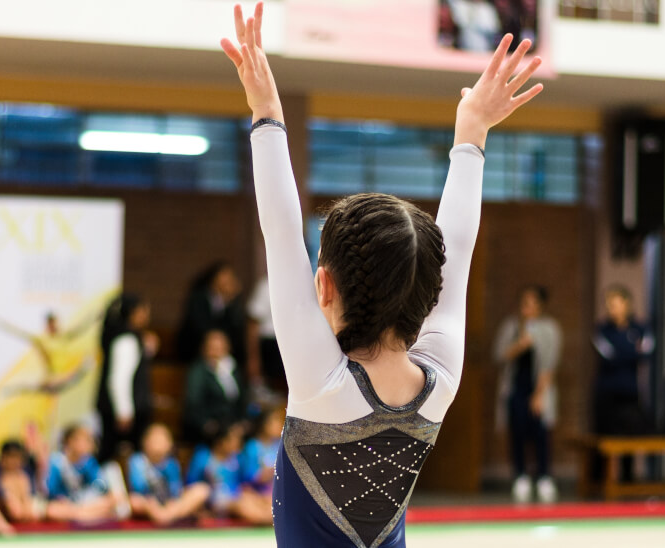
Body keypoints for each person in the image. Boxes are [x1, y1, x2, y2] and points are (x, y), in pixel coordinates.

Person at [220, 4, 542, 545]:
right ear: (427, 295)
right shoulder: (437, 379)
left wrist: (268, 111)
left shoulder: (322, 383)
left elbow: (280, 230)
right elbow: (456, 248)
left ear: (324, 287)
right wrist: (472, 132)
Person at [492, 285, 562, 503]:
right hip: (515, 389)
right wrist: (519, 345)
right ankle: (520, 477)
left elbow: (550, 364)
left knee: (541, 433)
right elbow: (498, 355)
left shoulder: (550, 328)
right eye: (524, 303)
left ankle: (544, 478)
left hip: (539, 389)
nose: (527, 308)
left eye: (533, 304)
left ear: (541, 306)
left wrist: (539, 395)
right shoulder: (511, 326)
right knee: (517, 432)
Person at [591, 285, 653, 483]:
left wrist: (625, 353)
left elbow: (647, 353)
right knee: (603, 439)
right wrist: (630, 353)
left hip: (630, 394)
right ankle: (599, 482)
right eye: (609, 305)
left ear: (627, 304)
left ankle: (628, 481)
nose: (612, 309)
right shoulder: (601, 330)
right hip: (606, 393)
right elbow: (609, 357)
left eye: (616, 304)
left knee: (629, 439)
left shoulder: (640, 329)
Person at [97, 293, 159, 461]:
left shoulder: (133, 337)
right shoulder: (126, 339)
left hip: (127, 408)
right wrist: (123, 410)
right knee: (111, 454)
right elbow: (118, 378)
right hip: (124, 410)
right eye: (143, 310)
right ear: (132, 313)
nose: (147, 314)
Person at [127, 423, 211, 526]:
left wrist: (173, 503)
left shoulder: (172, 464)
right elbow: (138, 488)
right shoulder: (137, 461)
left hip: (169, 505)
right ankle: (167, 516)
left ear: (170, 444)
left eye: (163, 440)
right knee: (134, 501)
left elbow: (176, 490)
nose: (159, 444)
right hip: (149, 503)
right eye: (155, 440)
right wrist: (152, 505)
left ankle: (165, 516)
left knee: (202, 489)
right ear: (145, 442)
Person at [42, 424, 128, 524]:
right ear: (71, 441)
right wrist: (64, 501)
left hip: (84, 502)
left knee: (114, 498)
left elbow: (99, 485)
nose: (89, 444)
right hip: (66, 504)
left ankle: (84, 515)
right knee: (51, 510)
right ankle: (89, 515)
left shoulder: (88, 462)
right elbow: (51, 490)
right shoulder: (57, 462)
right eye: (85, 440)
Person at [190, 423, 271, 525]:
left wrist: (256, 496)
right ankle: (268, 520)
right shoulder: (204, 457)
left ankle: (271, 518)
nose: (238, 443)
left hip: (236, 496)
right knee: (243, 505)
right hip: (215, 501)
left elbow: (244, 481)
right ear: (221, 442)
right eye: (234, 440)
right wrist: (201, 509)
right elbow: (192, 483)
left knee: (263, 500)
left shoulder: (237, 458)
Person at [182, 330, 248, 445]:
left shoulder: (233, 369)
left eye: (220, 348)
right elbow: (193, 403)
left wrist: (241, 423)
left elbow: (241, 399)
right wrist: (208, 424)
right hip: (209, 426)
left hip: (231, 424)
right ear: (204, 349)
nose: (216, 353)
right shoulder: (198, 371)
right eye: (212, 348)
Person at [176, 261, 248, 366]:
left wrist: (232, 302)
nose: (228, 280)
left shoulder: (233, 302)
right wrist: (214, 341)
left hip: (224, 349)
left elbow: (236, 328)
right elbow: (198, 326)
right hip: (195, 348)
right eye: (224, 275)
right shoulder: (199, 298)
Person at [0, 440, 38, 525]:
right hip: (7, 512)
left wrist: (27, 507)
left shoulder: (23, 476)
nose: (15, 461)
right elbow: (5, 499)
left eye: (17, 457)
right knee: (16, 509)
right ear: (3, 458)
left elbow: (29, 498)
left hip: (24, 509)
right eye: (11, 457)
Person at [241, 406, 285, 495]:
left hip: (274, 491)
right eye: (275, 421)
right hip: (255, 492)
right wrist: (272, 471)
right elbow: (249, 476)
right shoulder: (252, 447)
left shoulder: (278, 445)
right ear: (264, 424)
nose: (280, 424)